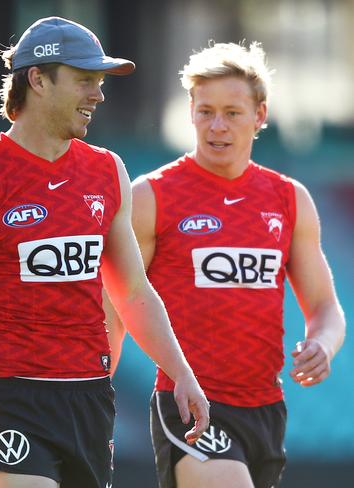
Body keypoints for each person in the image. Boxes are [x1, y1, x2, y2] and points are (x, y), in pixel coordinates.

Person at [0, 16, 210, 488]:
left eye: (100, 81)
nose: (98, 94)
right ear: (37, 79)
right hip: (7, 396)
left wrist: (182, 374)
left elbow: (133, 292)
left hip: (89, 398)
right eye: (85, 80)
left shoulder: (107, 171)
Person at [128, 42, 346, 488]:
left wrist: (323, 344)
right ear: (190, 111)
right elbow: (117, 298)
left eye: (232, 112)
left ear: (260, 115)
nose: (217, 126)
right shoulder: (152, 196)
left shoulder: (289, 200)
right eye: (205, 111)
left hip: (265, 408)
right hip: (189, 402)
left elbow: (325, 305)